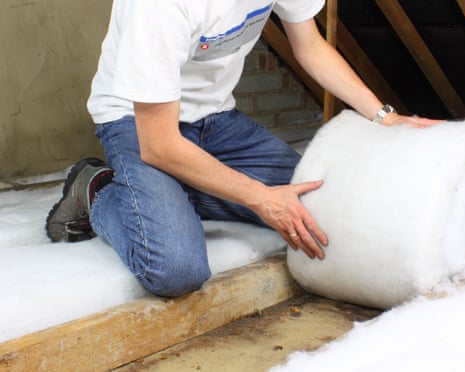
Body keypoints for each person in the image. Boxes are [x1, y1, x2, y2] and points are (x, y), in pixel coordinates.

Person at [46, 0, 442, 297]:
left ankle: (176, 191)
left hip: (217, 122)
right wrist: (258, 197)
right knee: (174, 268)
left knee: (324, 206)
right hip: (137, 124)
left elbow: (310, 46)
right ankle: (96, 188)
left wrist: (385, 117)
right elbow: (160, 145)